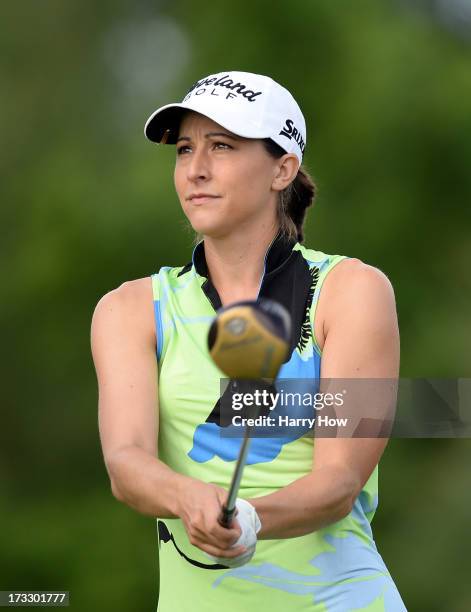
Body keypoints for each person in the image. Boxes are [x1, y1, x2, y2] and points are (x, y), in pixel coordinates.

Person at [91, 71, 407, 611]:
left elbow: (339, 481)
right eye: (185, 149)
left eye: (222, 147)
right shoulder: (128, 309)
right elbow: (126, 462)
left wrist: (251, 518)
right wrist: (188, 497)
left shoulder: (354, 292)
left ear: (282, 169)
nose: (196, 169)